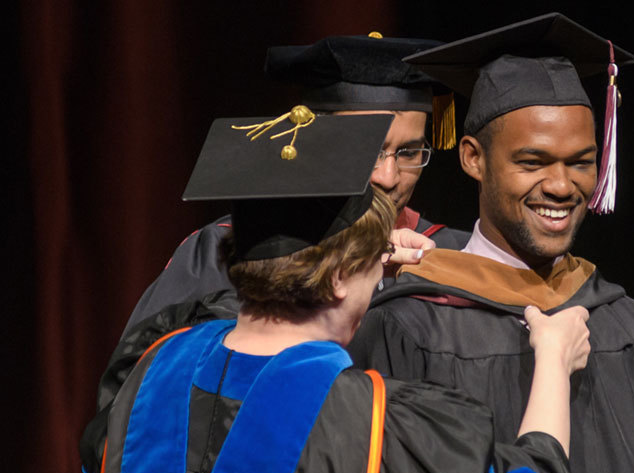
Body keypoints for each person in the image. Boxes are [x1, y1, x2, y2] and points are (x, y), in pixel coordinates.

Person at [347, 13, 634, 473]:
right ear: (473, 157)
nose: (560, 186)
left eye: (580, 162)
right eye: (532, 162)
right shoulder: (406, 328)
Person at [93, 112, 588, 473]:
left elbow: (216, 314)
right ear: (336, 280)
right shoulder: (373, 421)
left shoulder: (150, 367)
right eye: (373, 267)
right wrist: (553, 360)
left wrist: (351, 266)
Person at [121, 33, 471, 337]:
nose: (388, 177)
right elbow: (143, 382)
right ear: (311, 140)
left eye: (409, 153)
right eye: (366, 150)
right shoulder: (232, 246)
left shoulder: (450, 255)